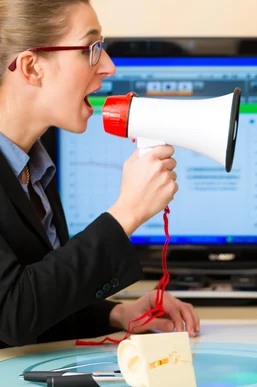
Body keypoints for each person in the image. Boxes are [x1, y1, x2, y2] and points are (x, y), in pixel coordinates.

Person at [0, 0, 199, 349]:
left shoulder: (35, 168)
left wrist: (116, 315)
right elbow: (10, 316)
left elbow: (40, 296)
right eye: (91, 49)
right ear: (32, 68)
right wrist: (127, 212)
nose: (108, 66)